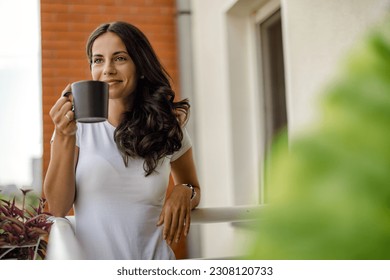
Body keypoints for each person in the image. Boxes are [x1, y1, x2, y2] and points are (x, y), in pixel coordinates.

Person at [43, 21, 201, 260]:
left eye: (119, 58)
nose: (107, 69)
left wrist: (183, 191)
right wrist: (64, 136)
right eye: (98, 60)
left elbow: (194, 188)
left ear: (140, 66)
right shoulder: (74, 129)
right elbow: (56, 208)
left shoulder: (166, 126)